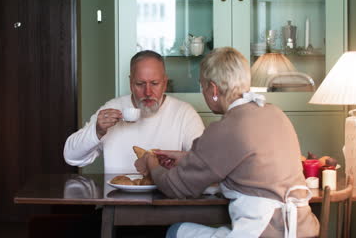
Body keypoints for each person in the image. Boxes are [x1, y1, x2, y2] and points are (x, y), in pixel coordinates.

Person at [135, 47, 319, 238]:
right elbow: (247, 160)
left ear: (213, 89)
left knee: (176, 231)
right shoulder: (275, 113)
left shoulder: (224, 129)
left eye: (203, 86)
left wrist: (151, 163)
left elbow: (174, 187)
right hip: (304, 229)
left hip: (264, 232)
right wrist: (187, 158)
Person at [64, 50, 204, 174]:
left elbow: (204, 163)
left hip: (167, 199)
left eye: (154, 84)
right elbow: (71, 157)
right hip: (117, 200)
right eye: (140, 84)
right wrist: (97, 131)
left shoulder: (184, 113)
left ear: (165, 83)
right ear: (131, 83)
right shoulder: (113, 108)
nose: (148, 92)